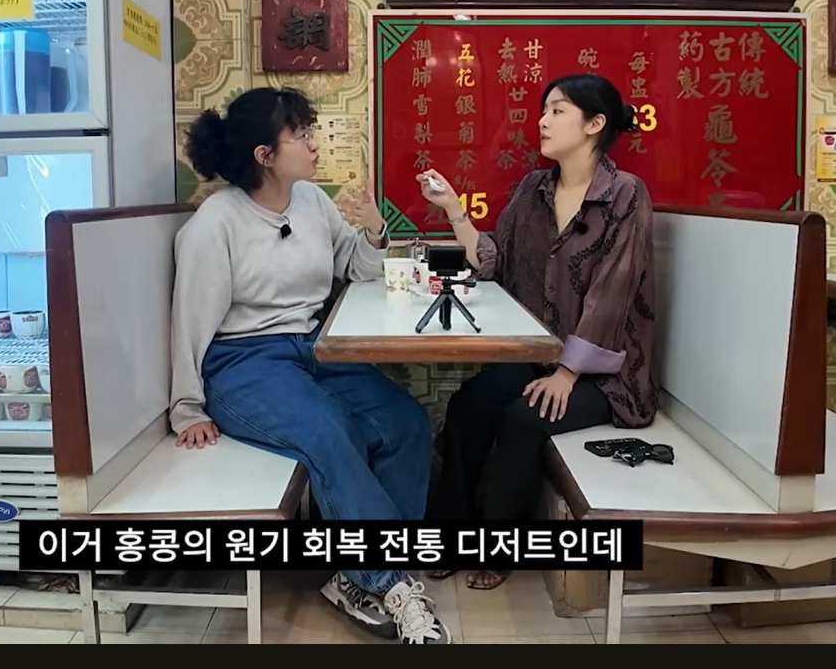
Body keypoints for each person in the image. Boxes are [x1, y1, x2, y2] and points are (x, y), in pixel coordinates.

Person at [169, 87, 451, 644]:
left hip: (316, 350)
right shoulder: (214, 224)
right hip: (243, 362)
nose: (314, 144)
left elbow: (359, 268)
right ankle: (392, 584)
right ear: (265, 155)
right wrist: (187, 407)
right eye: (300, 135)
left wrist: (375, 231)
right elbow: (189, 320)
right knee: (330, 432)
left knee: (405, 424)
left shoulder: (312, 202)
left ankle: (356, 578)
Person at [420, 73, 659, 591]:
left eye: (557, 111)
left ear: (594, 124)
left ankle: (499, 544)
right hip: (537, 359)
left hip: (604, 377)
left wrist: (569, 373)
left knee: (523, 419)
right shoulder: (533, 190)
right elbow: (494, 260)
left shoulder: (625, 194)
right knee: (468, 407)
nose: (543, 121)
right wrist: (454, 209)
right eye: (543, 110)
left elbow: (614, 293)